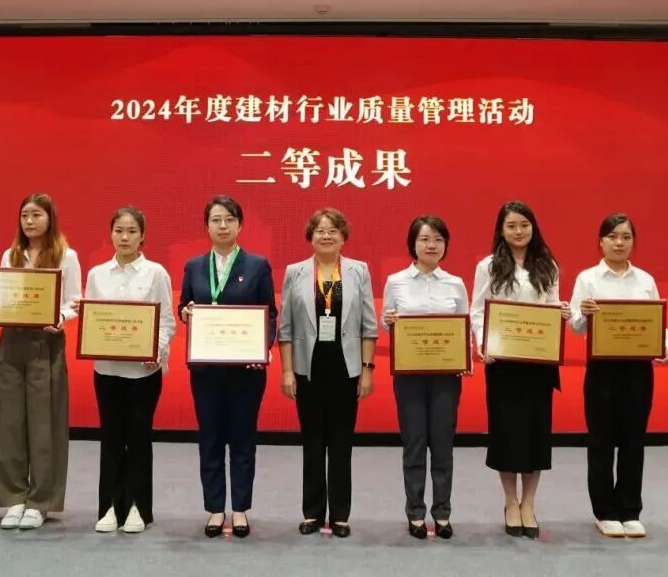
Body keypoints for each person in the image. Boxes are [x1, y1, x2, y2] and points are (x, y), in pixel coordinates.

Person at [568, 212, 668, 539]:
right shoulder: (588, 278)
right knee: (601, 440)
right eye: (612, 236)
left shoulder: (645, 280)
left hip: (637, 369)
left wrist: (667, 345)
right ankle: (604, 511)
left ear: (633, 242)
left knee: (633, 439)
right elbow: (575, 327)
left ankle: (630, 509)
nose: (619, 242)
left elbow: (657, 320)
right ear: (600, 242)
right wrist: (583, 314)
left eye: (626, 237)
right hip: (602, 368)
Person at [178, 195, 277, 538]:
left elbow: (270, 314)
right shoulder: (193, 266)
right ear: (206, 226)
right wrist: (186, 313)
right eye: (216, 220)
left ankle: (240, 509)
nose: (223, 226)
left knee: (242, 439)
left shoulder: (257, 265)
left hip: (245, 371)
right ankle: (215, 508)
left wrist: (262, 349)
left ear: (240, 225)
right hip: (206, 370)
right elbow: (184, 305)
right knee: (210, 438)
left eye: (229, 219)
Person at [470, 201, 571, 540]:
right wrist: (483, 343)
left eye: (524, 225)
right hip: (503, 363)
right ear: (501, 230)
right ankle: (510, 501)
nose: (518, 231)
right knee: (506, 433)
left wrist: (561, 312)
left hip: (537, 363)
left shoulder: (548, 264)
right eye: (511, 225)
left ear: (533, 227)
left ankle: (529, 502)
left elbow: (552, 306)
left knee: (535, 435)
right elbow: (478, 311)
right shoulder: (488, 266)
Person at [278, 208, 378, 539]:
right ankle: (312, 512)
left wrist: (367, 370)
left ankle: (340, 515)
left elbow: (368, 326)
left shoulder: (358, 271)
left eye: (333, 230)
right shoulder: (295, 272)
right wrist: (287, 371)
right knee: (312, 442)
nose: (326, 235)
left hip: (346, 369)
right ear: (310, 236)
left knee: (340, 443)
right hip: (308, 369)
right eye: (320, 230)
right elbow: (286, 329)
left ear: (343, 237)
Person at [75, 206, 175, 534]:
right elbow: (94, 319)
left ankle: (137, 507)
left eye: (132, 231)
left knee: (139, 439)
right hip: (106, 370)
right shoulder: (97, 274)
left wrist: (156, 351)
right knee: (111, 439)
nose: (125, 237)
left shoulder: (156, 273)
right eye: (119, 230)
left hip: (143, 373)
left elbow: (166, 322)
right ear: (111, 234)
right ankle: (109, 507)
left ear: (142, 236)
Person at [0, 193, 82, 530]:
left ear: (50, 218)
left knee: (45, 424)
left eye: (37, 214)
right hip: (11, 341)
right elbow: (1, 301)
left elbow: (74, 302)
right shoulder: (9, 255)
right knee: (8, 423)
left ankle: (40, 501)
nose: (29, 221)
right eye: (25, 214)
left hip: (46, 341)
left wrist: (59, 318)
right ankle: (13, 498)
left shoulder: (67, 256)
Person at [381, 215, 469, 540]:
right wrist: (389, 320)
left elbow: (464, 325)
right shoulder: (396, 281)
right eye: (424, 239)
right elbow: (386, 323)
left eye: (438, 239)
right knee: (415, 444)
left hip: (446, 376)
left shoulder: (455, 283)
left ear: (445, 245)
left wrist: (464, 358)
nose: (432, 245)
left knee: (443, 445)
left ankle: (442, 513)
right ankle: (416, 513)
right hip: (410, 375)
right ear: (413, 244)